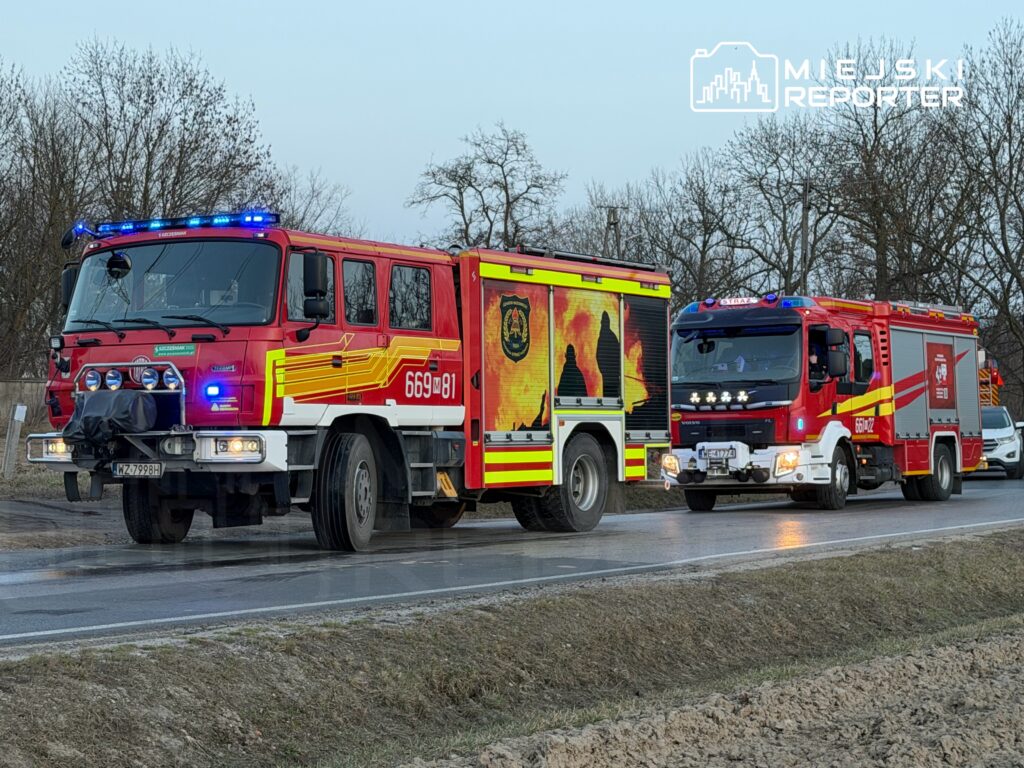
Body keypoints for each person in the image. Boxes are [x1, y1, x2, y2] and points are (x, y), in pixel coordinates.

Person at [596, 311, 621, 398]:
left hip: (610, 377)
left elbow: (599, 356)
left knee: (610, 397)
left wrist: (605, 371)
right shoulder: (611, 337)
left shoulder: (606, 337)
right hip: (610, 376)